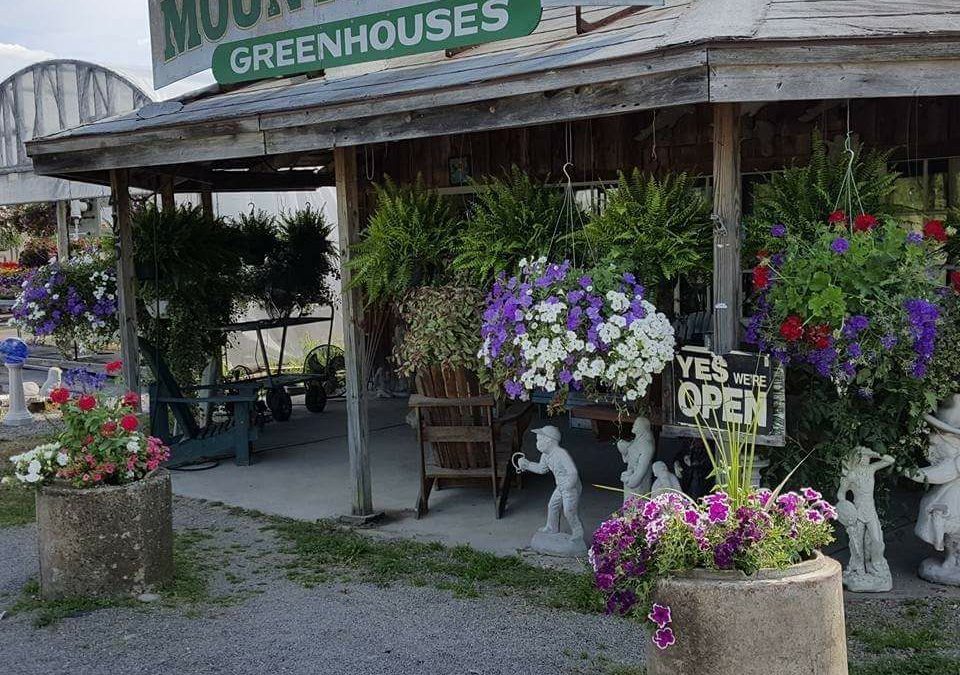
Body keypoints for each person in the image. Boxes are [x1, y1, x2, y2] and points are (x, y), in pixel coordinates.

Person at [908, 396, 960, 586]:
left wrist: (911, 472)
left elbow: (939, 474)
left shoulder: (956, 460)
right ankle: (951, 561)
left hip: (954, 502)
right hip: (949, 500)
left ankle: (953, 562)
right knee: (949, 533)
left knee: (952, 531)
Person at [836, 447, 894, 592]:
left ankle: (876, 566)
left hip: (871, 510)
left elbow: (890, 460)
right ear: (856, 458)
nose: (864, 459)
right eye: (861, 456)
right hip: (858, 511)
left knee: (877, 540)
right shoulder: (852, 474)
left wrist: (873, 453)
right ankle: (858, 568)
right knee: (857, 543)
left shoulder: (871, 469)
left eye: (866, 456)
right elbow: (841, 494)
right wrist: (846, 509)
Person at [518, 426, 585, 544]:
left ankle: (578, 532)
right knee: (552, 505)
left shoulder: (561, 454)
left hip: (571, 487)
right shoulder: (545, 455)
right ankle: (551, 527)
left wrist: (568, 485)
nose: (537, 443)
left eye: (539, 440)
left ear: (549, 441)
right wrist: (527, 465)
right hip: (561, 486)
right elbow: (541, 469)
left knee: (569, 511)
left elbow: (573, 472)